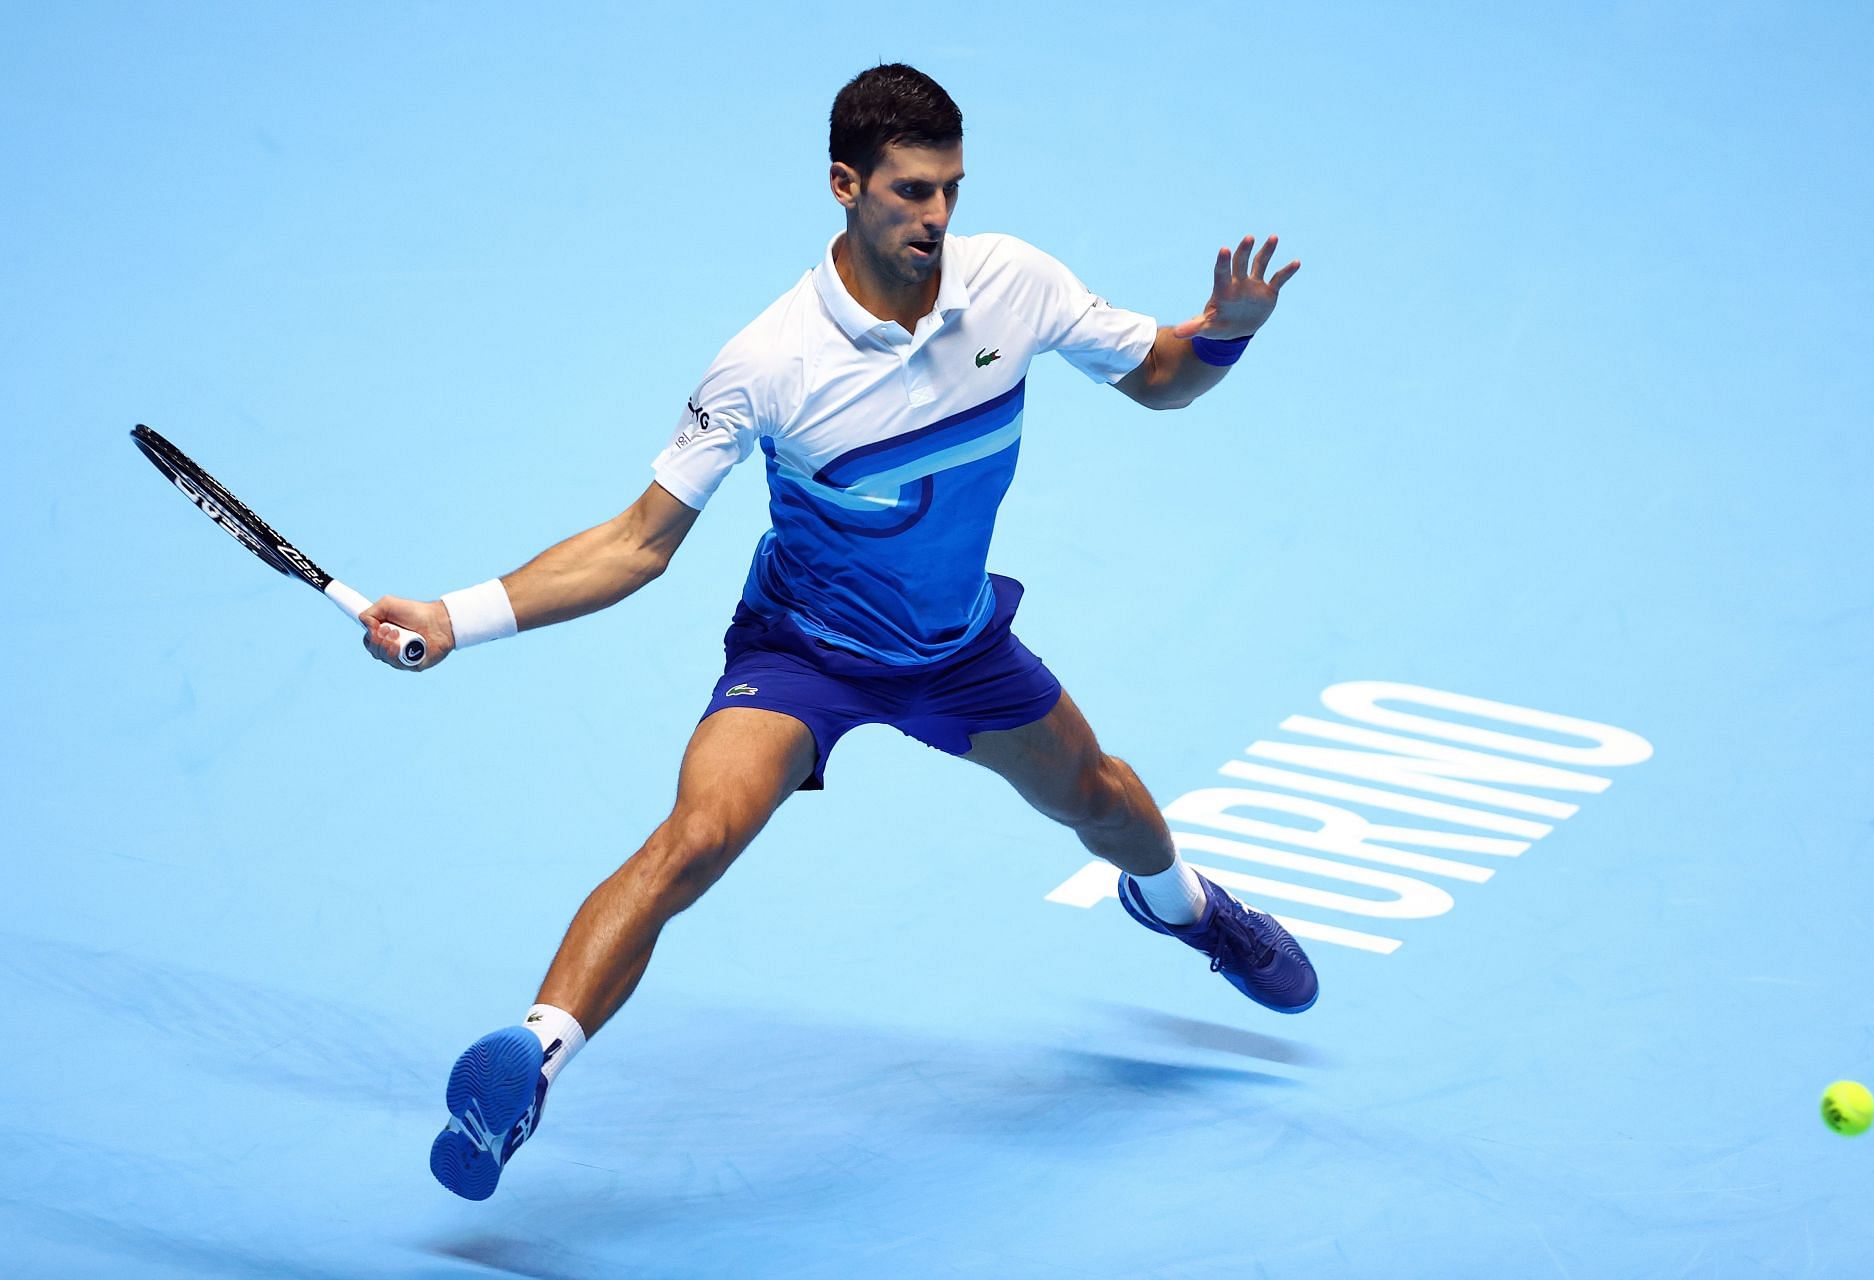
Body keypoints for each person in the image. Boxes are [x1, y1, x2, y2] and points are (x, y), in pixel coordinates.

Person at [360, 63, 1316, 1203]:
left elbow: (1161, 377)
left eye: (952, 188)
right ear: (844, 186)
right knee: (698, 836)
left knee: (1103, 798)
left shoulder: (1014, 284)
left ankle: (1187, 907)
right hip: (802, 651)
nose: (938, 217)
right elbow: (636, 541)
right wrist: (457, 618)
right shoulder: (767, 364)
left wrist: (1226, 333)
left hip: (956, 649)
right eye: (912, 192)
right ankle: (533, 1059)